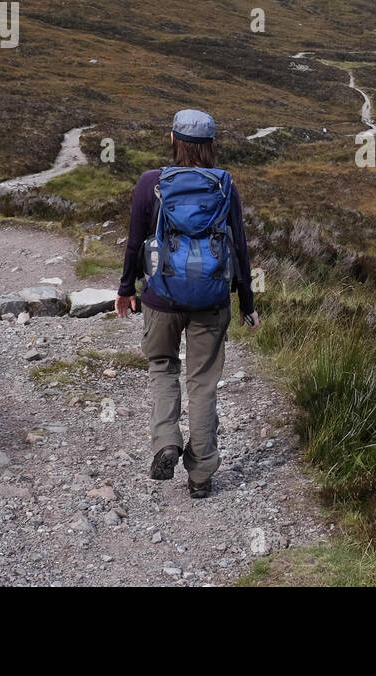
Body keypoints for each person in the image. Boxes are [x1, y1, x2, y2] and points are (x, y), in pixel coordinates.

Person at [115, 109, 259, 499]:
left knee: (162, 367)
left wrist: (126, 288)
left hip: (161, 297)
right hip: (212, 299)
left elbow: (134, 242)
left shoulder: (151, 183)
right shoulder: (225, 186)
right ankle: (201, 475)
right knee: (204, 384)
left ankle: (165, 441)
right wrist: (246, 302)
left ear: (173, 140)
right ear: (210, 145)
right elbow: (239, 248)